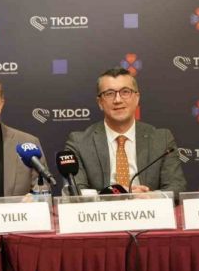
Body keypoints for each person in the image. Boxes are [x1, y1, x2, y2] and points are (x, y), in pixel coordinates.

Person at [65, 67, 187, 196]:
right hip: (103, 208)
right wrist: (114, 195)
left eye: (125, 92)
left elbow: (177, 187)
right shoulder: (79, 143)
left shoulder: (161, 139)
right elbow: (76, 192)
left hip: (148, 207)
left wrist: (150, 196)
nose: (118, 100)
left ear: (137, 98)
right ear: (100, 102)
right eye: (109, 94)